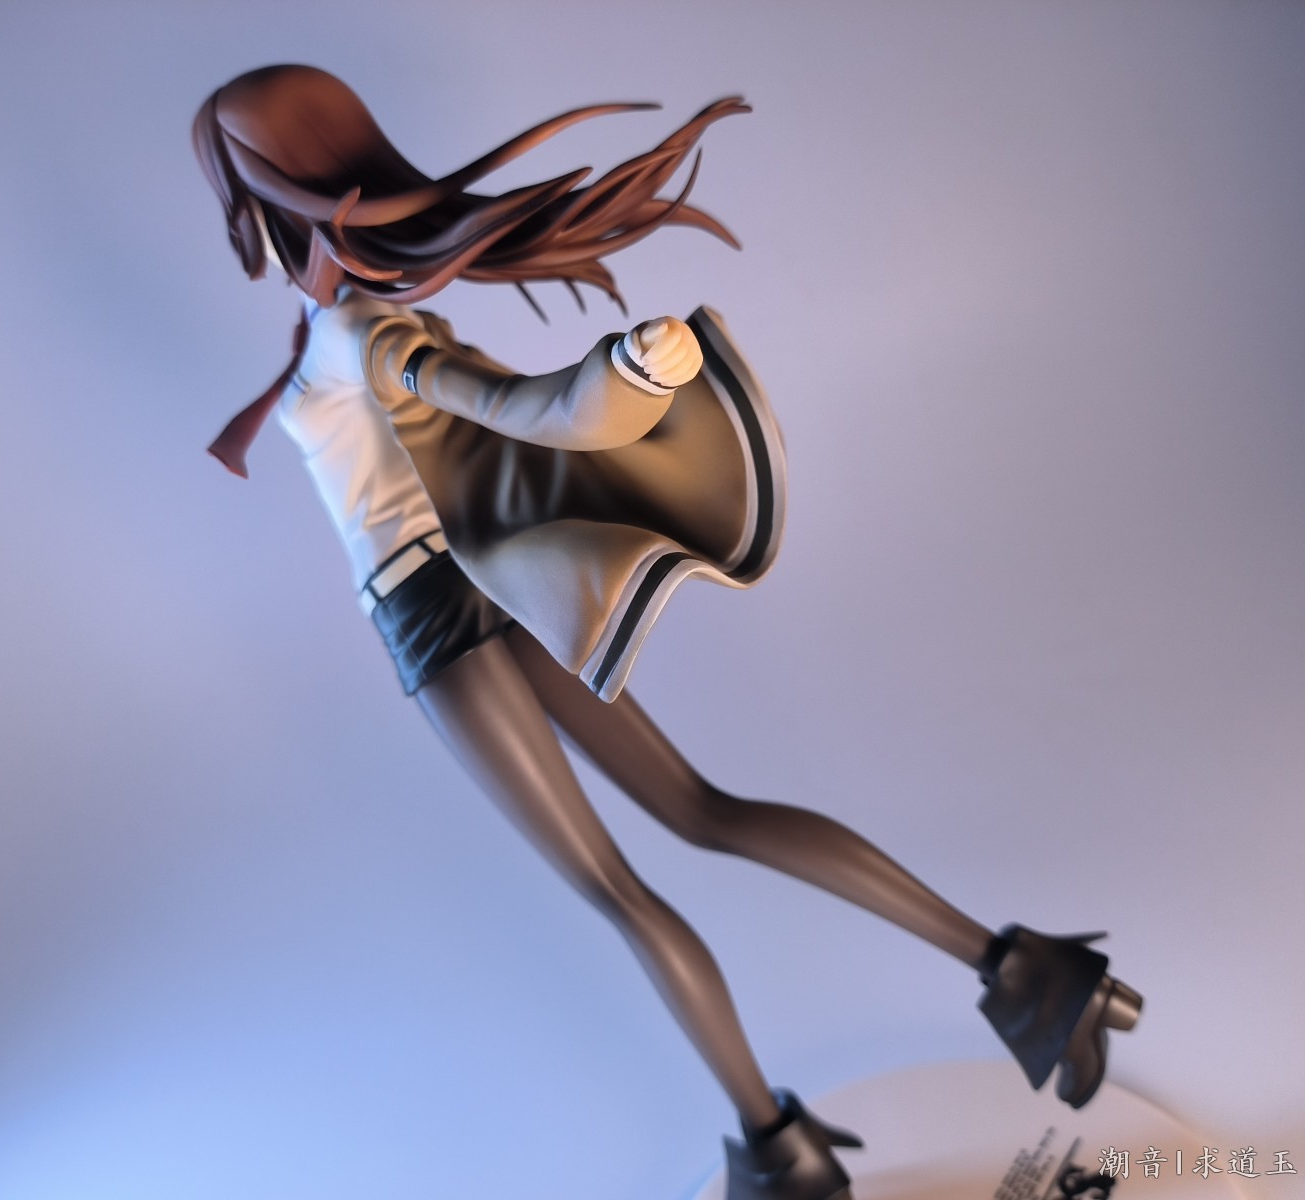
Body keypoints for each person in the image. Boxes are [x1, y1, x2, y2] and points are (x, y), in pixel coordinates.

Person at [193, 64, 1140, 1200]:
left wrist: (630, 375)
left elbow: (518, 407)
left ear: (275, 202)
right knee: (700, 811)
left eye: (242, 199)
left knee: (619, 888)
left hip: (436, 619)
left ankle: (780, 1153)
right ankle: (1031, 974)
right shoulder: (344, 330)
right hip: (486, 589)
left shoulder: (361, 334)